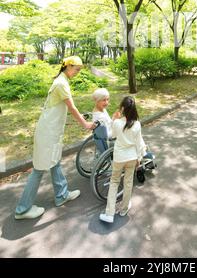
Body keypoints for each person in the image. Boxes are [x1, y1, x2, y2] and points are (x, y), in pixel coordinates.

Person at [14, 56, 95, 220]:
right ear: (69, 66)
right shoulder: (61, 83)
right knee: (38, 170)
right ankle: (22, 210)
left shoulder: (61, 80)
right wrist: (85, 124)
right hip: (47, 133)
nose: (78, 73)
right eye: (77, 69)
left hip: (50, 131)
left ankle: (62, 195)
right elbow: (71, 107)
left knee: (54, 162)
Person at [99, 96, 146, 223]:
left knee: (114, 182)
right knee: (128, 182)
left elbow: (112, 136)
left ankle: (109, 213)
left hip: (119, 157)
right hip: (132, 157)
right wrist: (139, 159)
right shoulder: (137, 124)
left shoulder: (117, 123)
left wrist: (113, 119)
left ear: (123, 108)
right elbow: (138, 143)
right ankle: (124, 209)